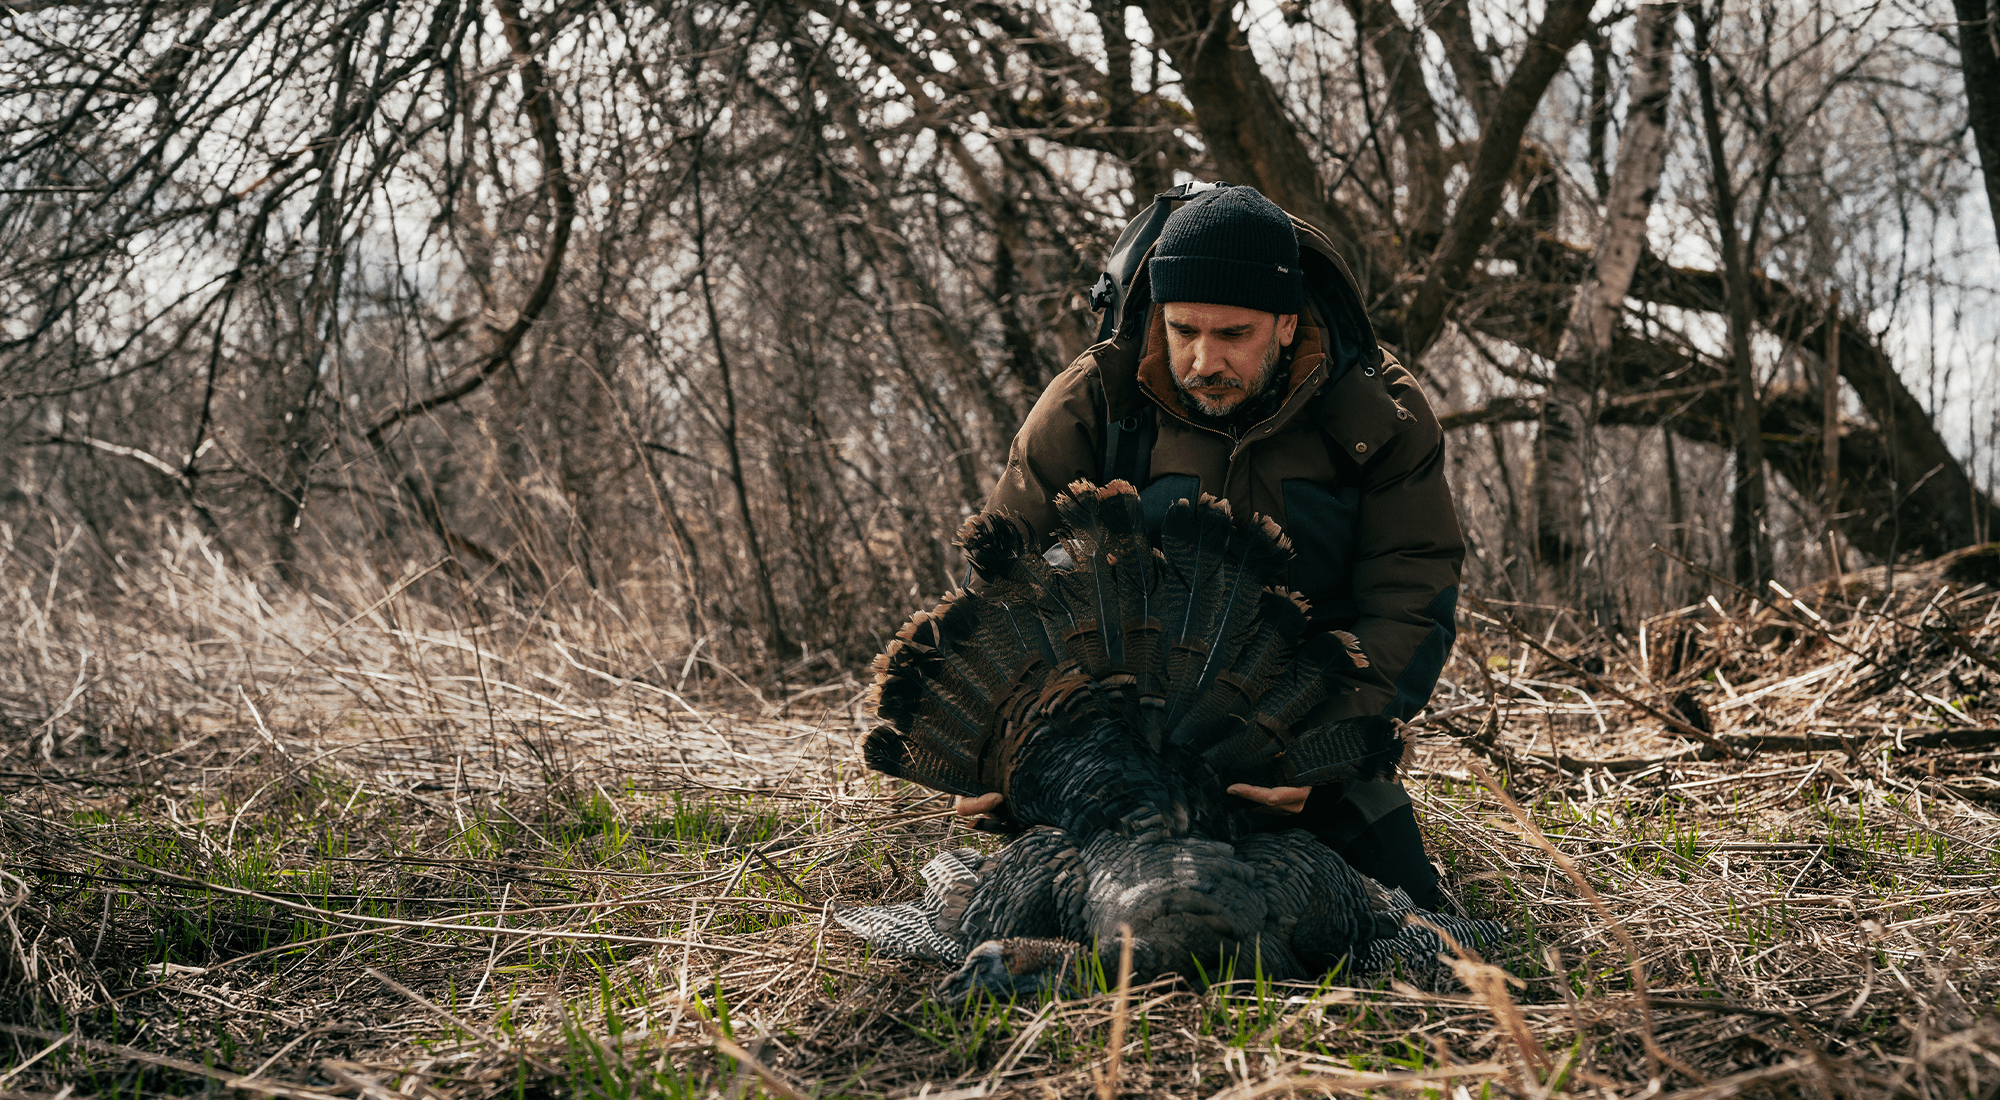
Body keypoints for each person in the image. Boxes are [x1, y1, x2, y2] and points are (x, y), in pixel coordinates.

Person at [954, 185, 1463, 909]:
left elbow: (1411, 596)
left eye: (1233, 336)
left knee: (1409, 930)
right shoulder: (1095, 398)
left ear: (1287, 325)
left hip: (1295, 732)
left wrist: (1323, 750)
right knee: (1063, 923)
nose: (1201, 360)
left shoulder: (1379, 414)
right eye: (1184, 329)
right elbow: (1002, 576)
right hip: (1119, 741)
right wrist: (999, 736)